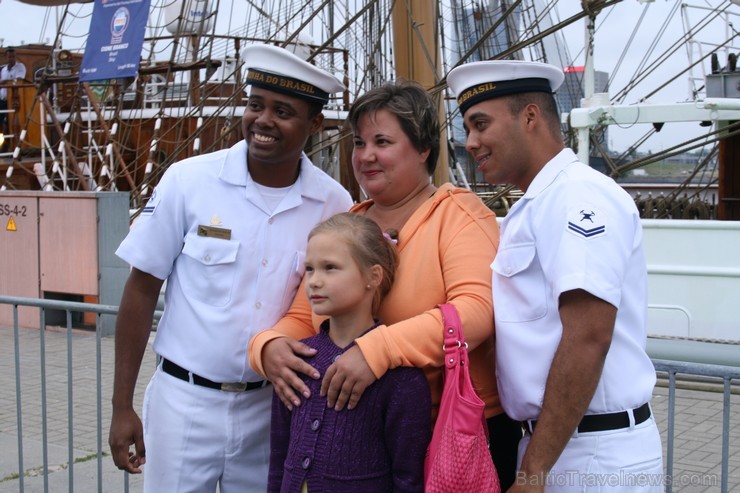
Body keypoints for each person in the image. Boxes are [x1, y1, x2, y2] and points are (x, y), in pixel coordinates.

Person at [250, 79, 523, 490]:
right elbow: (307, 312)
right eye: (359, 143)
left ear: (423, 148)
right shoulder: (352, 223)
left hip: (450, 436)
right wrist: (268, 346)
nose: (366, 156)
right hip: (360, 437)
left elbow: (477, 311)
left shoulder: (458, 215)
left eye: (382, 141)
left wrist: (378, 351)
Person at [107, 43, 353, 493]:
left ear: (315, 123)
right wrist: (121, 405)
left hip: (272, 407)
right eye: (255, 104)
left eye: (283, 111)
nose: (262, 120)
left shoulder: (333, 204)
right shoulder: (189, 181)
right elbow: (141, 289)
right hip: (184, 402)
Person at [447, 60, 663, 492]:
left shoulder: (576, 197)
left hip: (591, 455)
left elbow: (588, 335)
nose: (470, 142)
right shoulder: (538, 204)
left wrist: (534, 472)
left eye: (481, 124)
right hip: (560, 445)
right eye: (467, 127)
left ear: (529, 116)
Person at [268, 212, 431, 492]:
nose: (314, 281)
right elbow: (278, 457)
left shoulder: (402, 378)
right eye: (309, 269)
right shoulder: (296, 361)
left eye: (330, 267)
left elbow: (408, 477)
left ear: (373, 276)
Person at [0, 47, 27, 133]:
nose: (11, 59)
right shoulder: (3, 70)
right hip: (2, 98)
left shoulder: (20, 67)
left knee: (10, 121)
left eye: (13, 57)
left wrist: (6, 82)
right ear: (6, 57)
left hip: (13, 99)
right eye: (9, 57)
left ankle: (9, 142)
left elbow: (19, 80)